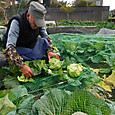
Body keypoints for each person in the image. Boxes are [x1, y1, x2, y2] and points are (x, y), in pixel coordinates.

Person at [2, 1, 59, 78]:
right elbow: (10, 47)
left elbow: (46, 38)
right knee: (9, 54)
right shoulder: (17, 22)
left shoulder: (39, 24)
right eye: (35, 23)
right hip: (18, 47)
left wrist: (50, 51)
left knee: (44, 41)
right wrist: (21, 65)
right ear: (28, 16)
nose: (37, 25)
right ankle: (23, 59)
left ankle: (28, 57)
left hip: (29, 45)